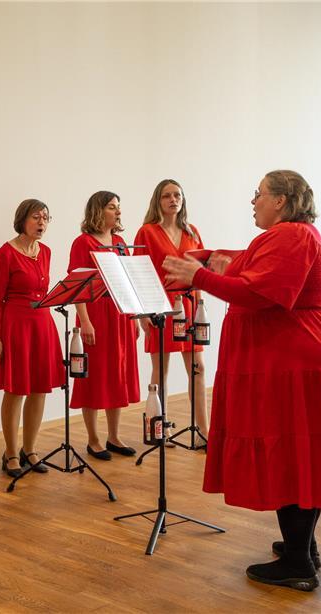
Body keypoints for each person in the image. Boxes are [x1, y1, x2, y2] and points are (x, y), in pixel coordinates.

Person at [162, 170, 321, 591]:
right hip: (299, 357)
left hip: (296, 361)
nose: (253, 201)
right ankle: (302, 546)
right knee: (301, 454)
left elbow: (263, 292)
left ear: (281, 200)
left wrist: (198, 277)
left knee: (291, 453)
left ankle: (298, 563)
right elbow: (248, 263)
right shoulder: (292, 236)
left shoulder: (292, 235)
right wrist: (209, 257)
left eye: (258, 194)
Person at [0, 199, 64, 477]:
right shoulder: (5, 254)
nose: (42, 222)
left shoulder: (45, 251)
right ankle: (10, 452)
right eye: (36, 217)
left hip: (42, 322)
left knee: (39, 388)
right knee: (16, 389)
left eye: (46, 217)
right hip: (15, 324)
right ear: (23, 220)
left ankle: (30, 449)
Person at [134, 179, 209, 443]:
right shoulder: (147, 232)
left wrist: (201, 307)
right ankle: (159, 429)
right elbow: (140, 274)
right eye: (167, 196)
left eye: (177, 195)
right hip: (161, 307)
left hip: (189, 306)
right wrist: (143, 314)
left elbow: (201, 271)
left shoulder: (193, 231)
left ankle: (201, 431)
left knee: (198, 367)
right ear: (158, 200)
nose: (173, 200)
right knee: (160, 370)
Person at [68, 191, 140, 460]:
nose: (118, 212)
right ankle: (93, 439)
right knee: (94, 376)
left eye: (118, 207)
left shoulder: (120, 242)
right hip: (95, 315)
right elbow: (76, 285)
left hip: (119, 314)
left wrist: (132, 318)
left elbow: (127, 283)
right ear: (99, 210)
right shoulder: (82, 243)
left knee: (116, 374)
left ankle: (114, 436)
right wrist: (84, 321)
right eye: (112, 207)